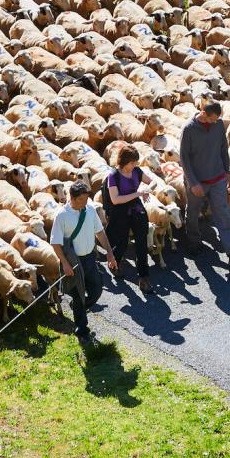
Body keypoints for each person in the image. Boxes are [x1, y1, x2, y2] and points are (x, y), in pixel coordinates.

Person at [50, 180, 117, 346]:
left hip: (89, 258)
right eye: (82, 200)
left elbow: (100, 232)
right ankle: (82, 331)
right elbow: (55, 242)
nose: (85, 203)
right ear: (72, 198)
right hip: (73, 261)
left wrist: (109, 253)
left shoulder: (90, 210)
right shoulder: (62, 215)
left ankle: (79, 308)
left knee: (96, 290)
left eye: (87, 199)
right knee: (80, 296)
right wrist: (64, 264)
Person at [179, 101, 230, 265]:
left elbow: (223, 147)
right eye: (212, 119)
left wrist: (227, 171)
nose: (215, 122)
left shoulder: (218, 124)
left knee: (223, 212)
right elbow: (184, 158)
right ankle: (194, 243)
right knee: (193, 212)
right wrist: (193, 183)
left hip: (217, 176)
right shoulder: (189, 129)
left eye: (217, 119)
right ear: (203, 113)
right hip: (197, 180)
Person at [105, 144, 154, 293]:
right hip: (120, 212)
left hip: (137, 210)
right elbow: (116, 200)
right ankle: (115, 262)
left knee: (141, 243)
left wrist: (147, 188)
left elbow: (152, 181)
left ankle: (144, 277)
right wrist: (138, 193)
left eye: (135, 163)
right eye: (132, 163)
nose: (135, 165)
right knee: (122, 242)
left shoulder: (137, 171)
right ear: (125, 161)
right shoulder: (113, 176)